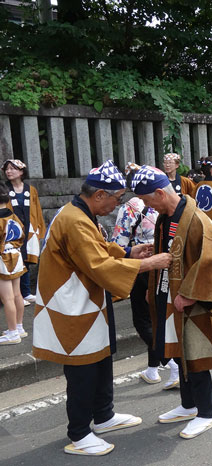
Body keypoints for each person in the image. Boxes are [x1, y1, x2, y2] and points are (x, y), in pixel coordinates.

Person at [32, 160, 171, 456]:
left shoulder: (80, 214)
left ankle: (104, 415)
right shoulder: (74, 219)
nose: (117, 204)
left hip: (85, 300)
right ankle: (79, 433)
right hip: (70, 306)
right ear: (98, 195)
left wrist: (127, 251)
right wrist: (146, 263)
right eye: (116, 198)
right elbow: (97, 263)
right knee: (82, 368)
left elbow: (98, 249)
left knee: (101, 359)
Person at [131, 165, 212, 440]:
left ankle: (207, 413)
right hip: (169, 296)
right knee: (178, 351)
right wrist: (153, 289)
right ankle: (189, 405)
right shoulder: (167, 217)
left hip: (191, 301)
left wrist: (189, 292)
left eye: (147, 199)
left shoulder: (196, 218)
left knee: (195, 356)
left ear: (160, 193)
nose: (146, 205)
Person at [111, 163, 179, 389]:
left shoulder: (131, 206)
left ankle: (171, 362)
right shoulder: (174, 199)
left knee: (143, 319)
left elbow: (119, 241)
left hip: (142, 263)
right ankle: (152, 369)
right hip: (165, 260)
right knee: (158, 317)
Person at [2, 159, 45, 307]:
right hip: (11, 232)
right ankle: (18, 295)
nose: (9, 171)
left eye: (12, 169)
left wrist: (40, 228)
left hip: (29, 229)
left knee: (26, 260)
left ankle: (25, 292)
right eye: (7, 169)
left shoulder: (31, 189)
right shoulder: (4, 189)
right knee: (15, 260)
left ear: (21, 172)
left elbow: (37, 210)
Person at [0, 183, 28, 345]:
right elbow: (22, 234)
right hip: (16, 255)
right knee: (17, 294)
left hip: (3, 258)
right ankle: (19, 327)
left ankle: (12, 333)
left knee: (7, 298)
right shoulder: (13, 215)